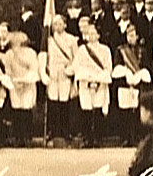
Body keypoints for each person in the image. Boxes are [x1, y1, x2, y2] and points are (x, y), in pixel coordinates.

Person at [39, 14, 78, 144]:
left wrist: (70, 70)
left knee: (64, 101)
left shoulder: (71, 40)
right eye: (55, 24)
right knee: (53, 101)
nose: (57, 26)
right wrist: (45, 71)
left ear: (65, 25)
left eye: (60, 24)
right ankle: (53, 131)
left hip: (65, 71)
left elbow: (76, 58)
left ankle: (65, 132)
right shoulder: (49, 40)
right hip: (53, 72)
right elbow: (45, 56)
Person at [73, 23, 113, 147]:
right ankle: (87, 138)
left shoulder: (105, 50)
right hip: (86, 82)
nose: (91, 36)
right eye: (89, 33)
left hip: (100, 82)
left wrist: (98, 79)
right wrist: (88, 78)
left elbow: (108, 67)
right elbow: (77, 66)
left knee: (98, 109)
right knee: (86, 110)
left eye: (93, 33)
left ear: (98, 35)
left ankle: (97, 138)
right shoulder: (82, 50)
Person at [113, 25, 151, 146]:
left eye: (133, 35)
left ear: (137, 36)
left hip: (138, 85)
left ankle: (136, 137)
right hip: (125, 84)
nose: (131, 37)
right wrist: (126, 74)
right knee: (125, 113)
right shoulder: (120, 50)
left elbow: (146, 66)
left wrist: (139, 76)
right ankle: (126, 137)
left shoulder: (142, 51)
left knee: (136, 112)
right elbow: (117, 67)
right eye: (129, 35)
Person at [6, 31, 38, 147]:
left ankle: (27, 137)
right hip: (14, 84)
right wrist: (14, 81)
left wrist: (25, 80)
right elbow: (8, 70)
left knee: (26, 110)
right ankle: (17, 137)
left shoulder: (31, 53)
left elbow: (34, 68)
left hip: (28, 84)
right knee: (16, 110)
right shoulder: (9, 54)